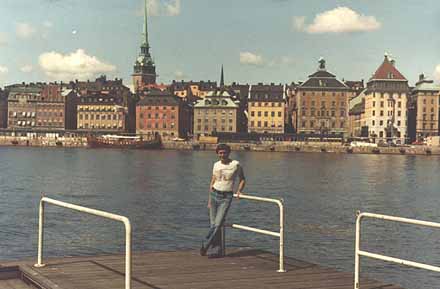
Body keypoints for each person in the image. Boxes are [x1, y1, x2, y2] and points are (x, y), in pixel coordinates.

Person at [200, 143, 245, 258]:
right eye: (220, 153)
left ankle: (205, 244)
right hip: (214, 194)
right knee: (213, 225)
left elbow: (242, 179)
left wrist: (239, 191)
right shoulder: (216, 165)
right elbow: (213, 181)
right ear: (217, 154)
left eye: (224, 152)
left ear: (228, 153)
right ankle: (217, 250)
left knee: (217, 223)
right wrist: (209, 200)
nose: (222, 155)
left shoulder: (235, 164)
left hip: (226, 197)